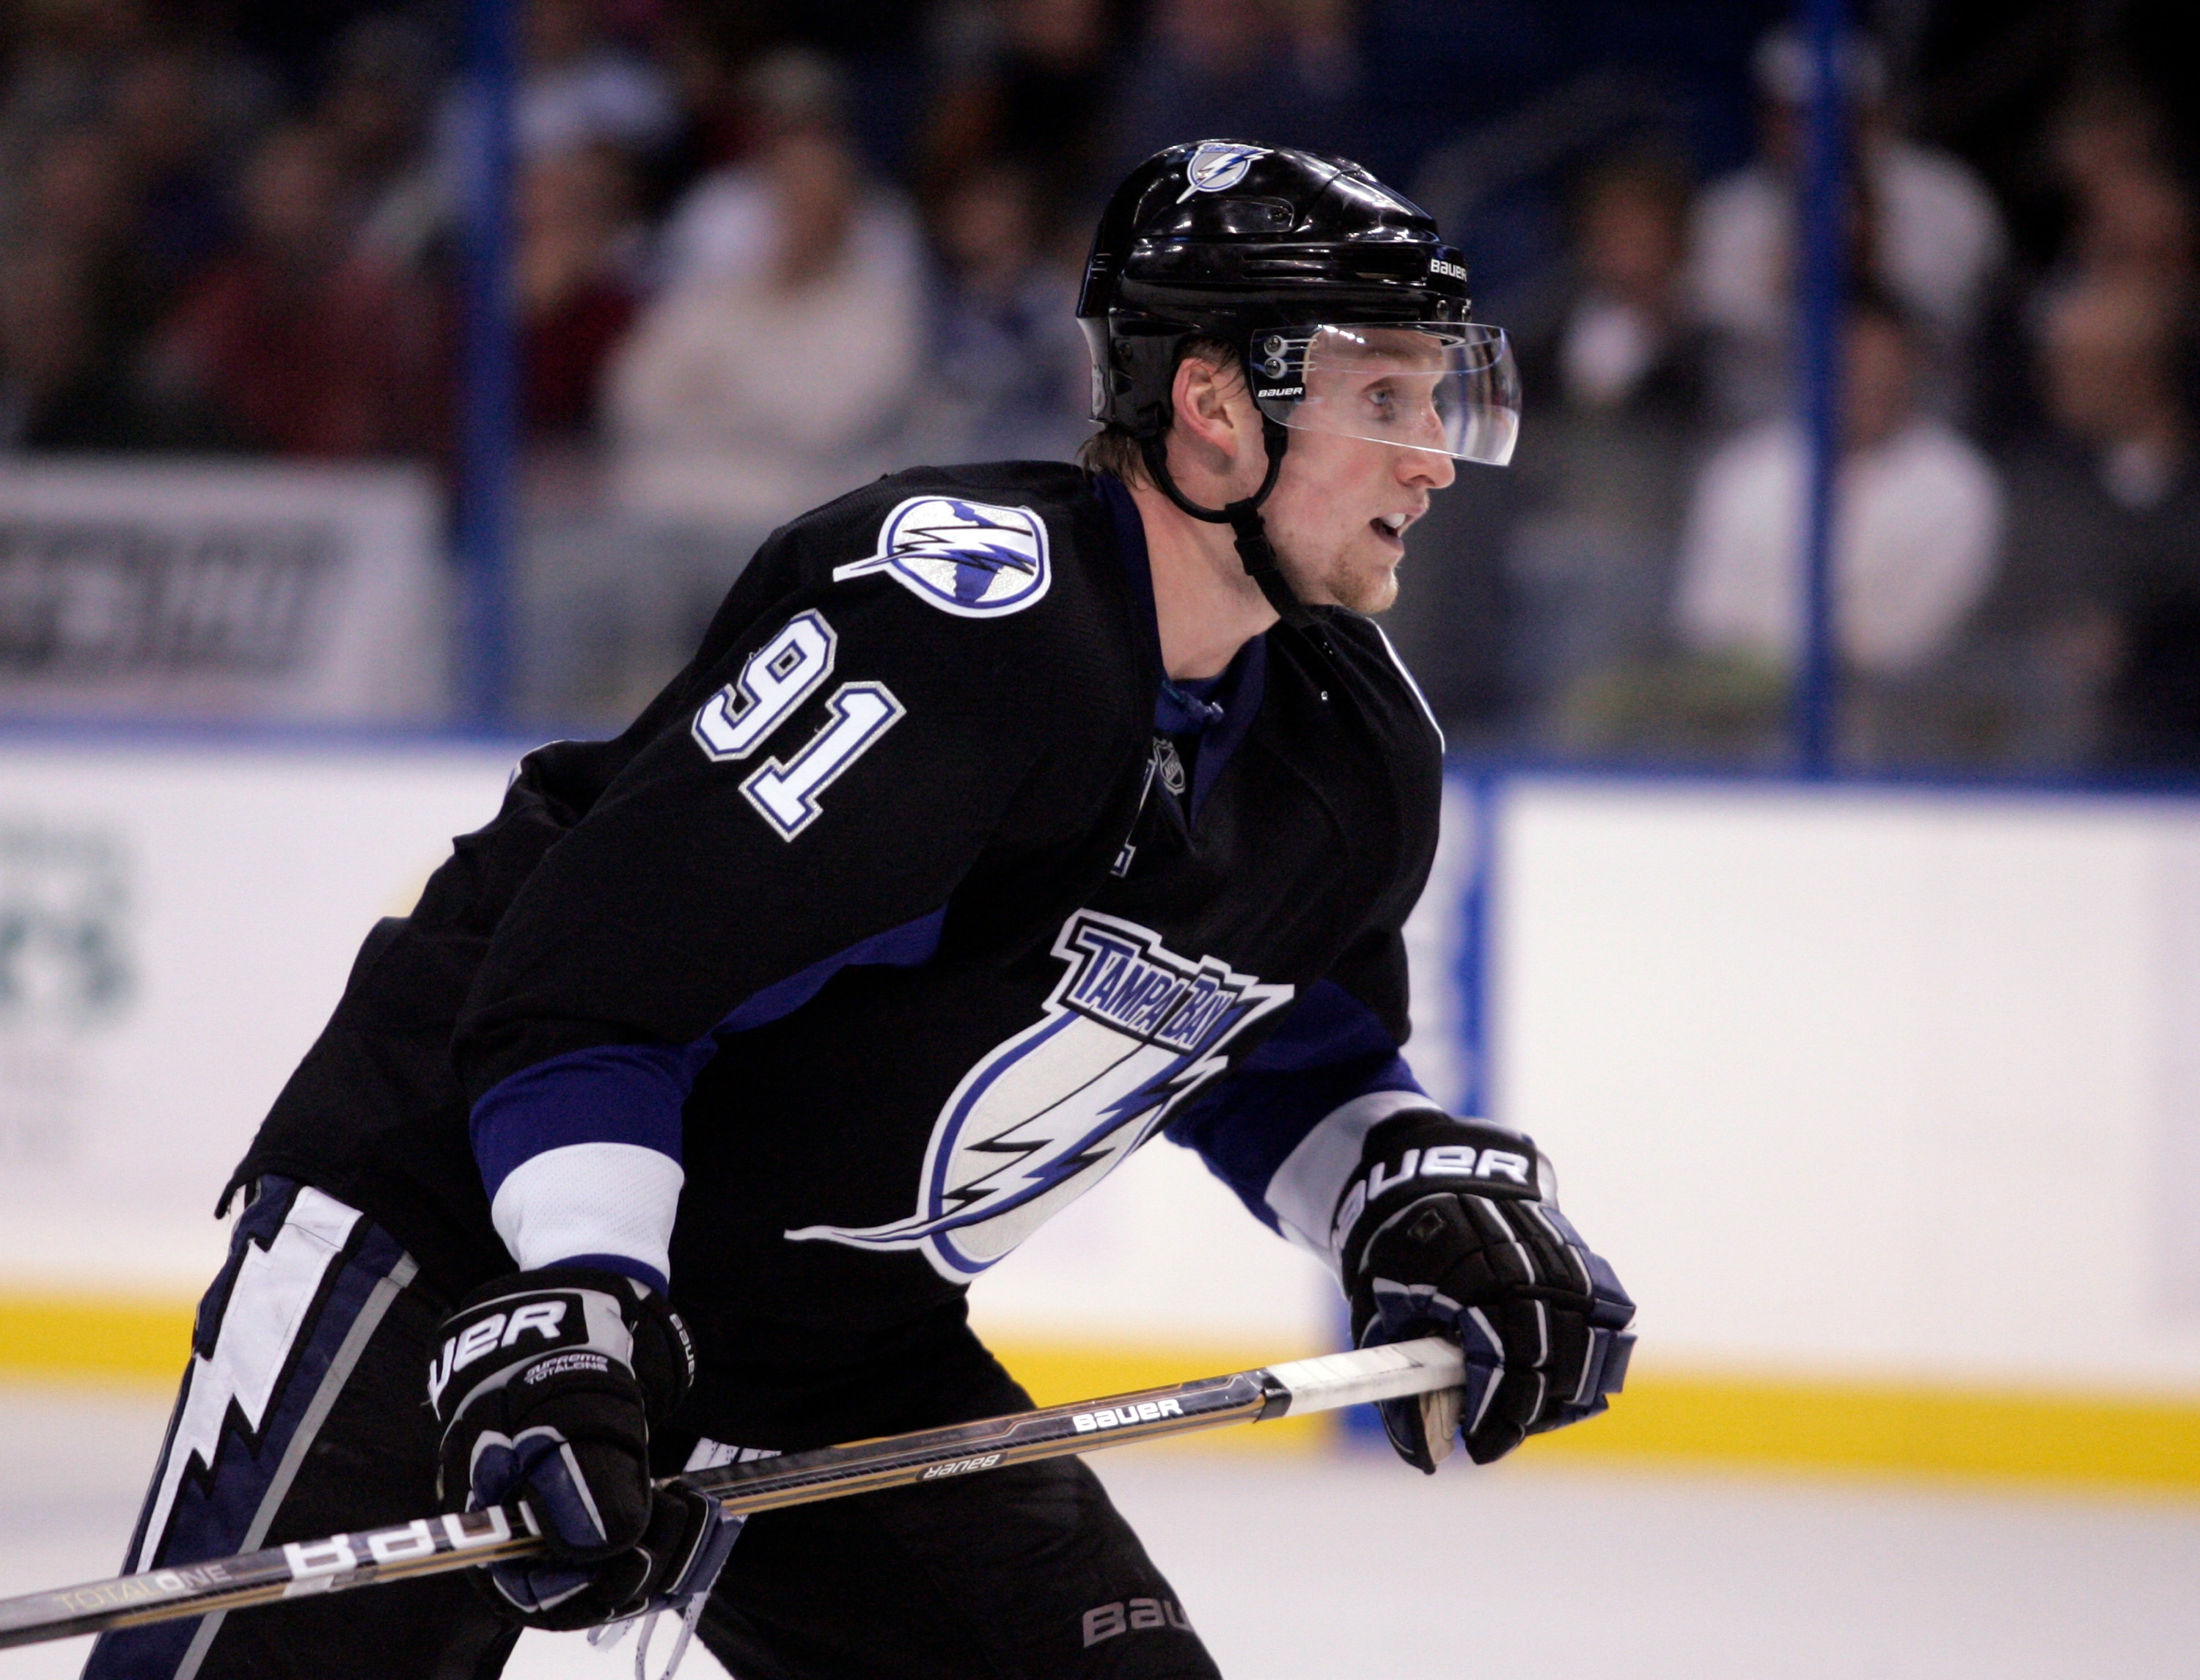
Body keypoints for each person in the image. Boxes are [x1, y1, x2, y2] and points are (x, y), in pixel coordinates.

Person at [87, 141, 1635, 1680]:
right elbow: (598, 989)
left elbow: (1283, 1055)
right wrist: (584, 1296)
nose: (1434, 458)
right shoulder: (963, 626)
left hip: (821, 1342)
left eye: (1439, 398)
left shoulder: (1351, 743)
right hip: (477, 1243)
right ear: (1217, 405)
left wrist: (1400, 1195)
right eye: (1386, 399)